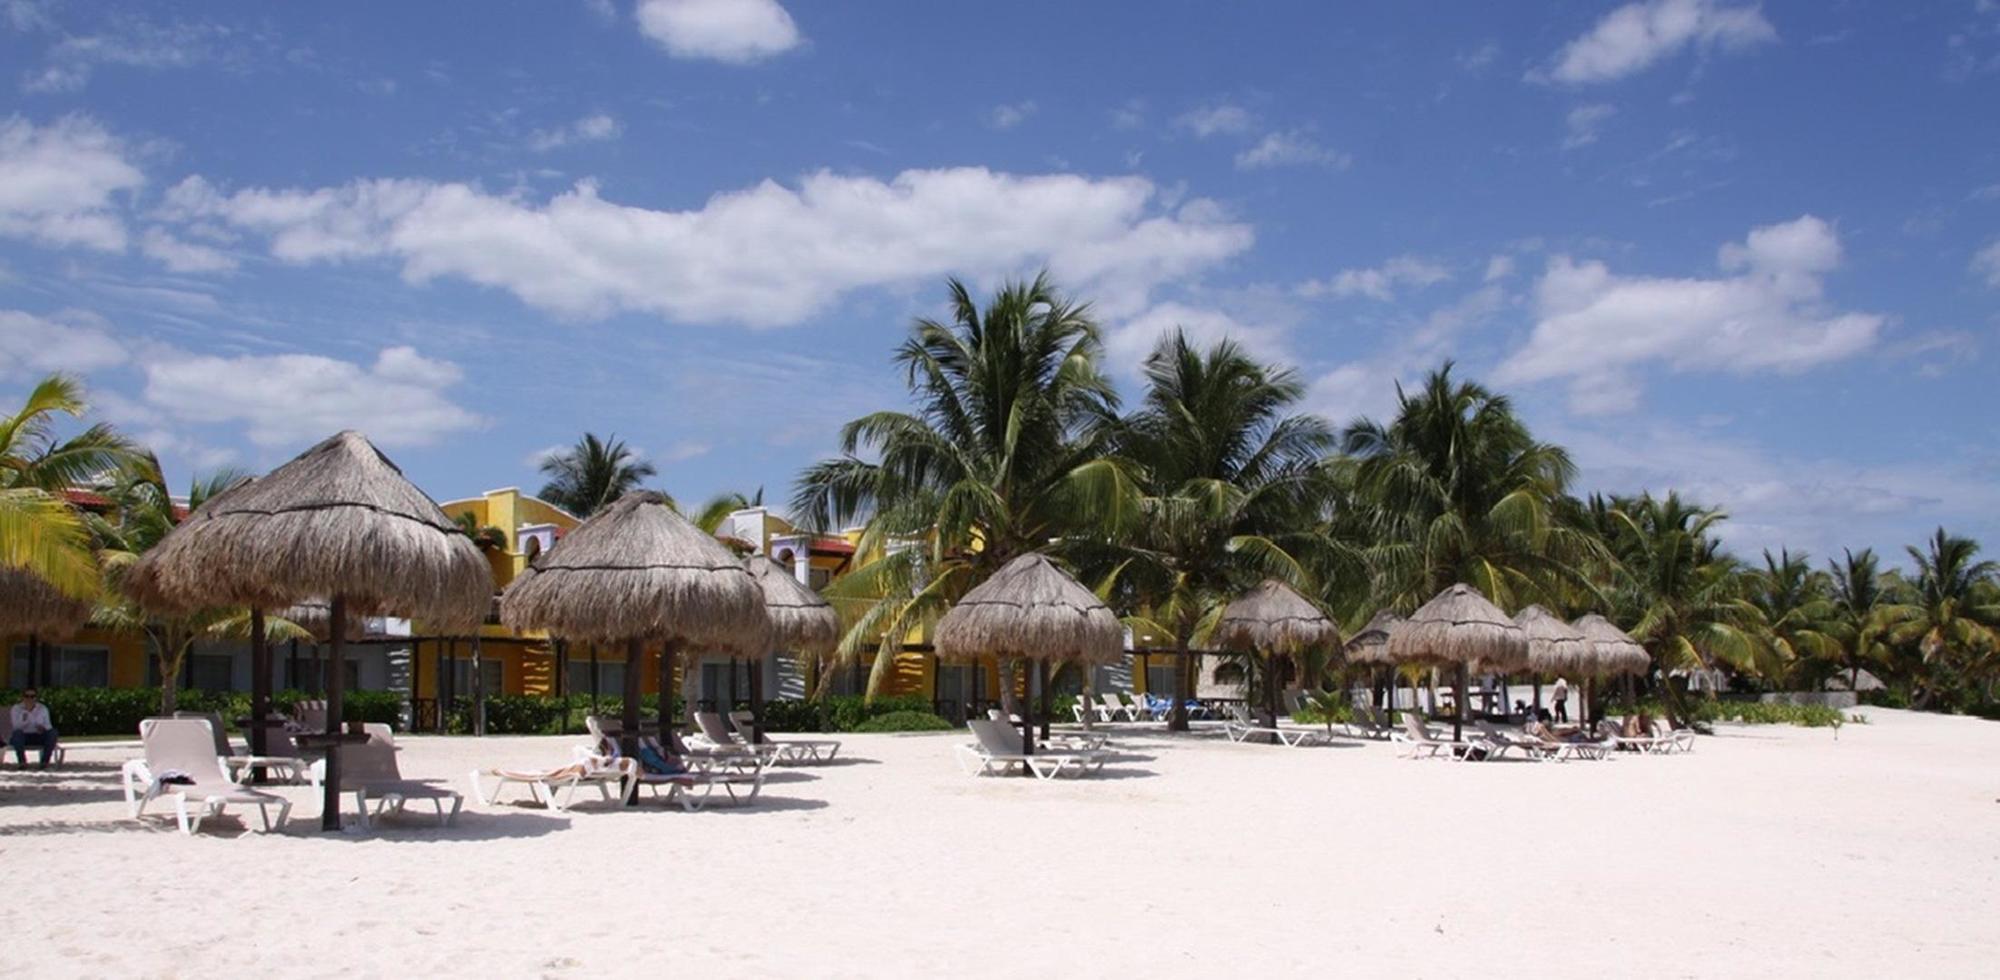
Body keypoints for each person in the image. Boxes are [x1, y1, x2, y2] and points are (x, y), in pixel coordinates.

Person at [8, 688, 59, 768]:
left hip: (38, 736)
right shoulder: (16, 709)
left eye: (32, 696)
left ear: (36, 698)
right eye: (27, 696)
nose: (29, 699)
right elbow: (16, 727)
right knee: (17, 734)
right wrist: (24, 716)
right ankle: (22, 762)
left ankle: (44, 762)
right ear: (23, 697)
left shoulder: (42, 709)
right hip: (23, 737)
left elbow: (48, 726)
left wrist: (43, 728)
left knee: (53, 733)